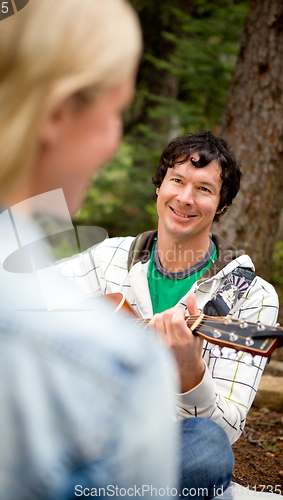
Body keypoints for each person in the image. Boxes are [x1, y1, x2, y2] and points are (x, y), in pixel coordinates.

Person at [0, 1, 186, 498]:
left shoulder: (239, 282)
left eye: (202, 189)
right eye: (116, 111)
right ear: (57, 112)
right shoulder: (116, 364)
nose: (115, 140)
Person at [57, 131, 279, 493]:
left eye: (204, 189)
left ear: (221, 205)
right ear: (159, 187)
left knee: (207, 448)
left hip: (160, 445)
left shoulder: (251, 298)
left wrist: (190, 374)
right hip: (81, 423)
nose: (185, 198)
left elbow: (226, 430)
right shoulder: (107, 258)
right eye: (177, 181)